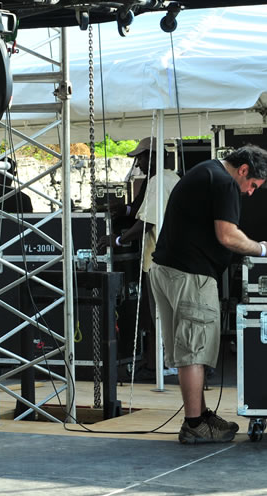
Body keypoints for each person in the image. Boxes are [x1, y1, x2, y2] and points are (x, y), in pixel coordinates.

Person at [150, 144, 267, 444]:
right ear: (244, 170)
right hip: (190, 276)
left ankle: (199, 415)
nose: (249, 193)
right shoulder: (224, 182)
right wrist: (265, 249)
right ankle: (195, 423)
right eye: (252, 186)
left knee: (186, 353)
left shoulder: (205, 170)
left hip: (166, 270)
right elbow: (227, 235)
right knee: (194, 352)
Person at [101, 137, 181, 380]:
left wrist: (117, 240)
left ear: (152, 156)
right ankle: (161, 363)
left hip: (158, 260)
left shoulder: (157, 181)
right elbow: (140, 210)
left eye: (141, 158)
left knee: (157, 315)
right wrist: (122, 209)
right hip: (173, 258)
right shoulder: (173, 179)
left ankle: (158, 366)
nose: (138, 164)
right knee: (167, 315)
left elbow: (147, 221)